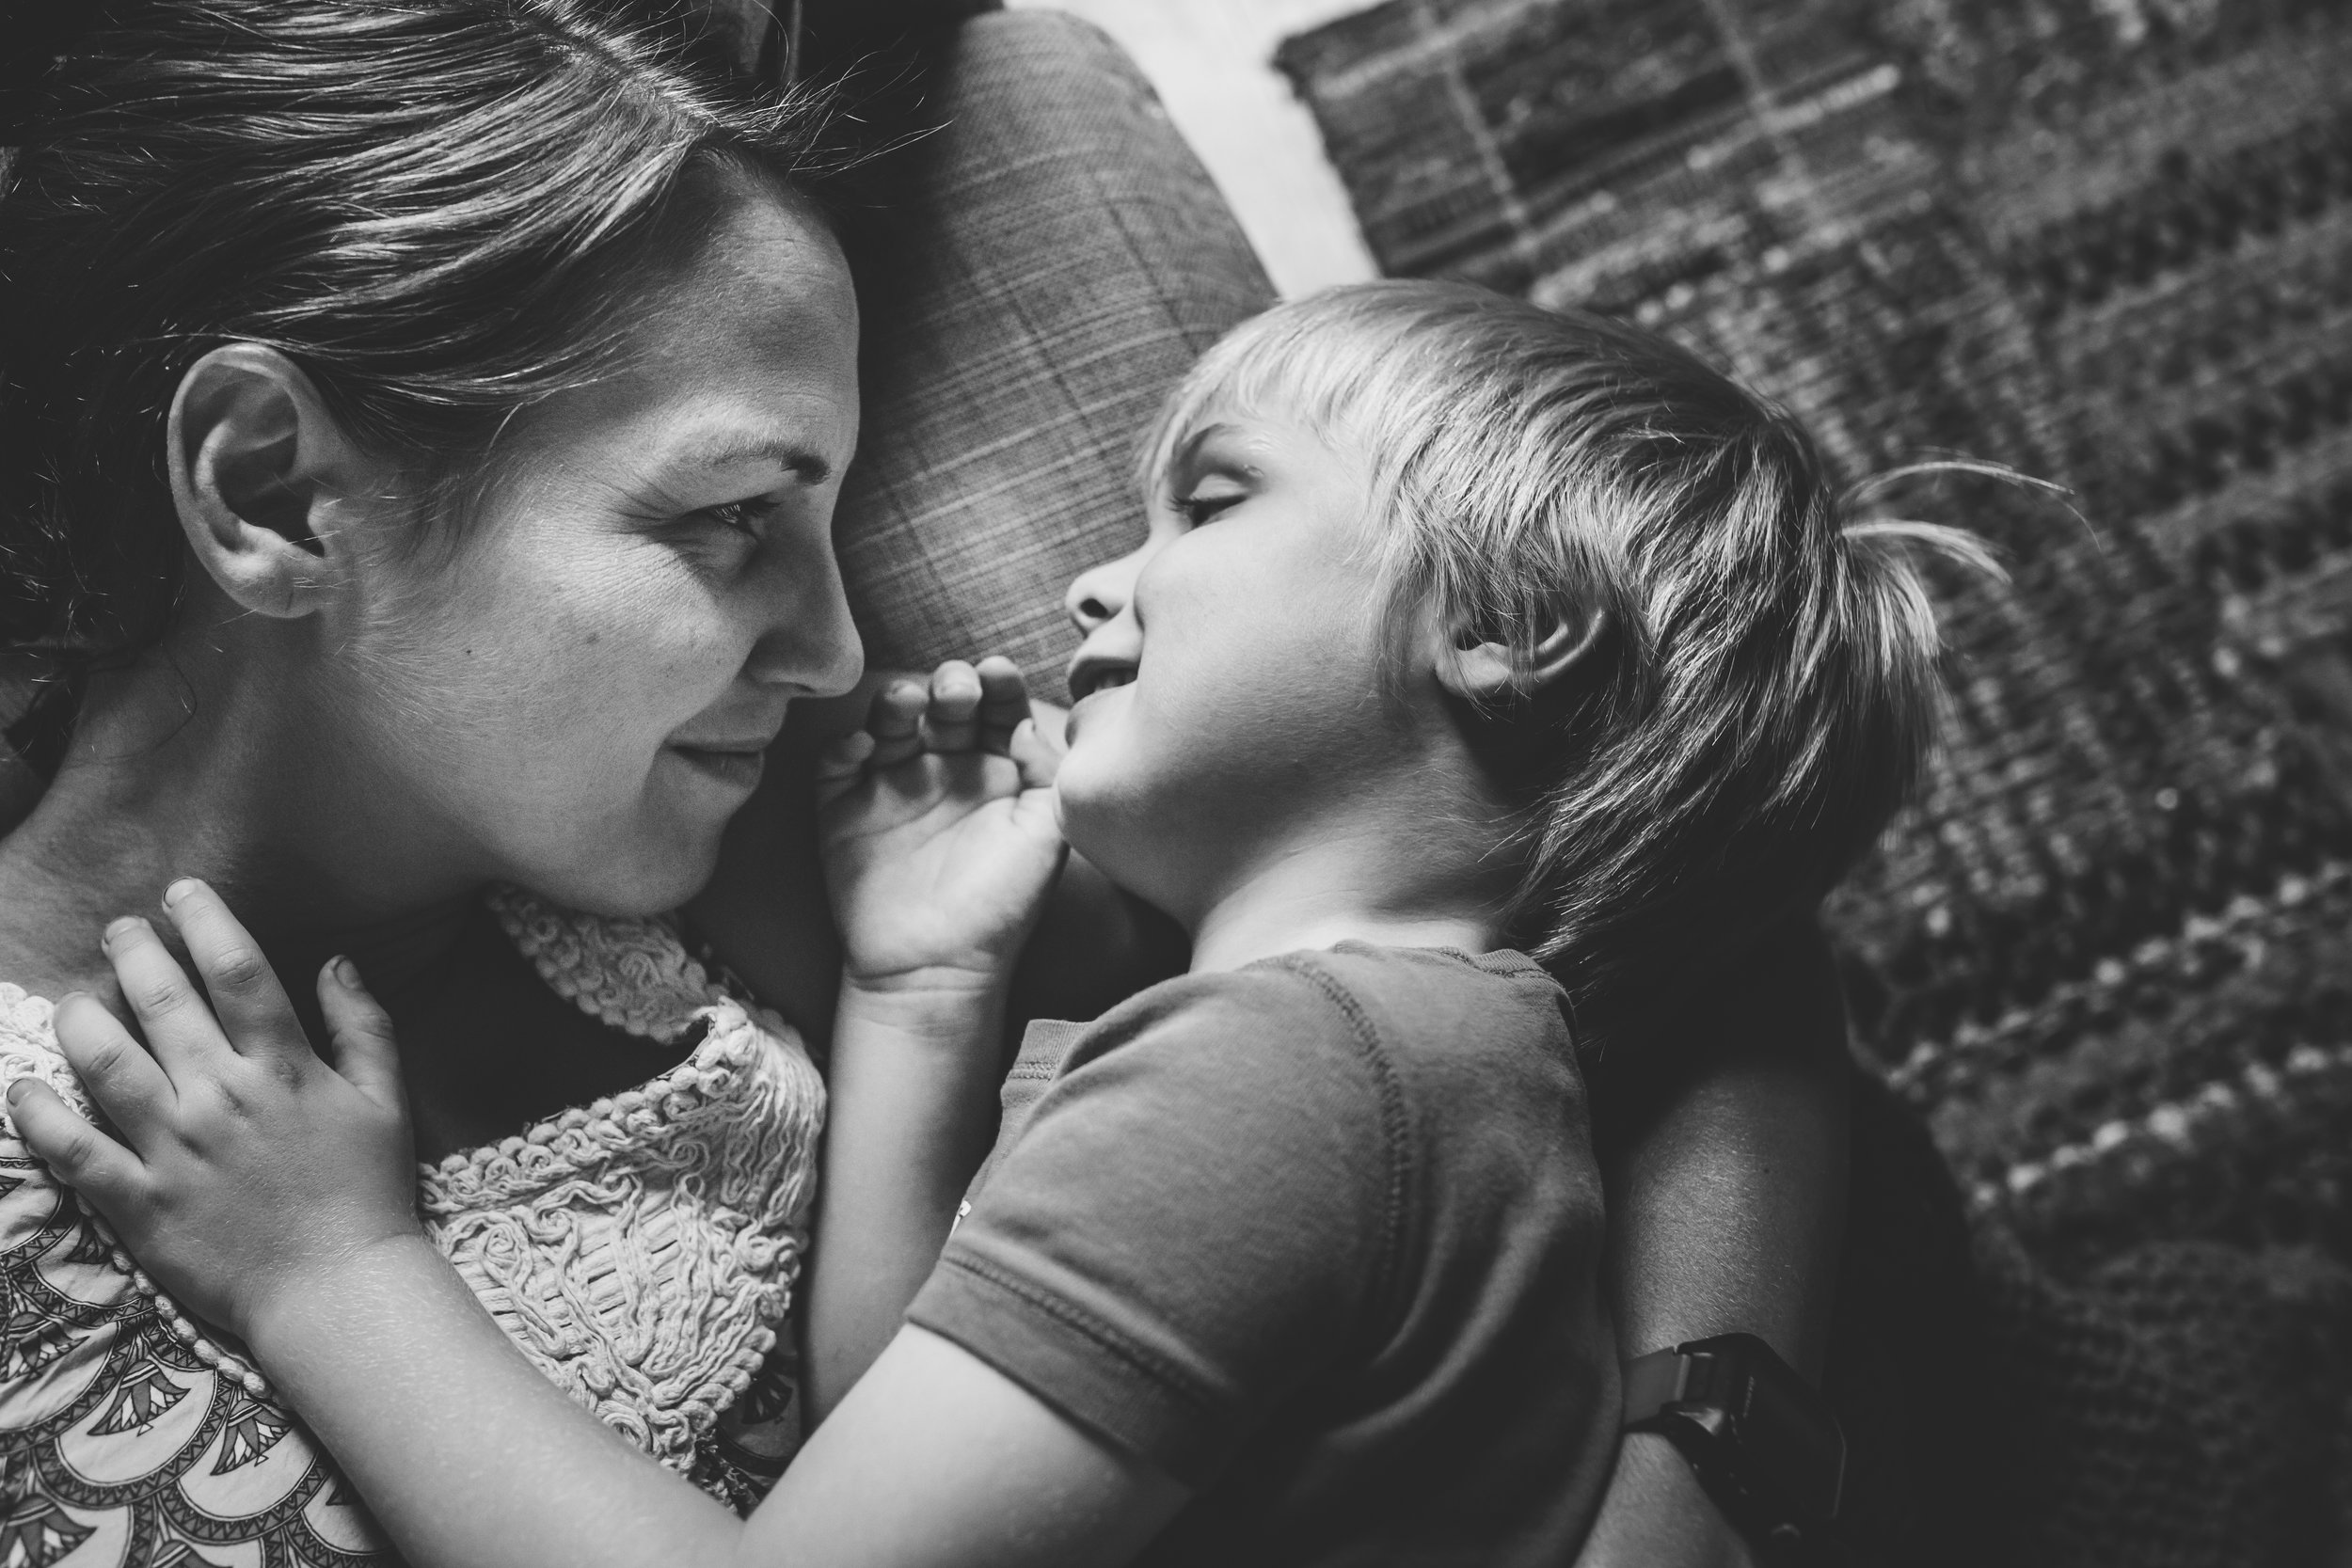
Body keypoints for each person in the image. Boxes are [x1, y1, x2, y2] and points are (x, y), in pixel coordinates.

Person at [0, 3, 1862, 1563]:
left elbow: (1723, 963)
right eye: (727, 521)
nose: (833, 651)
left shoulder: (821, 867)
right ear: (268, 492)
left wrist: (1693, 1471)